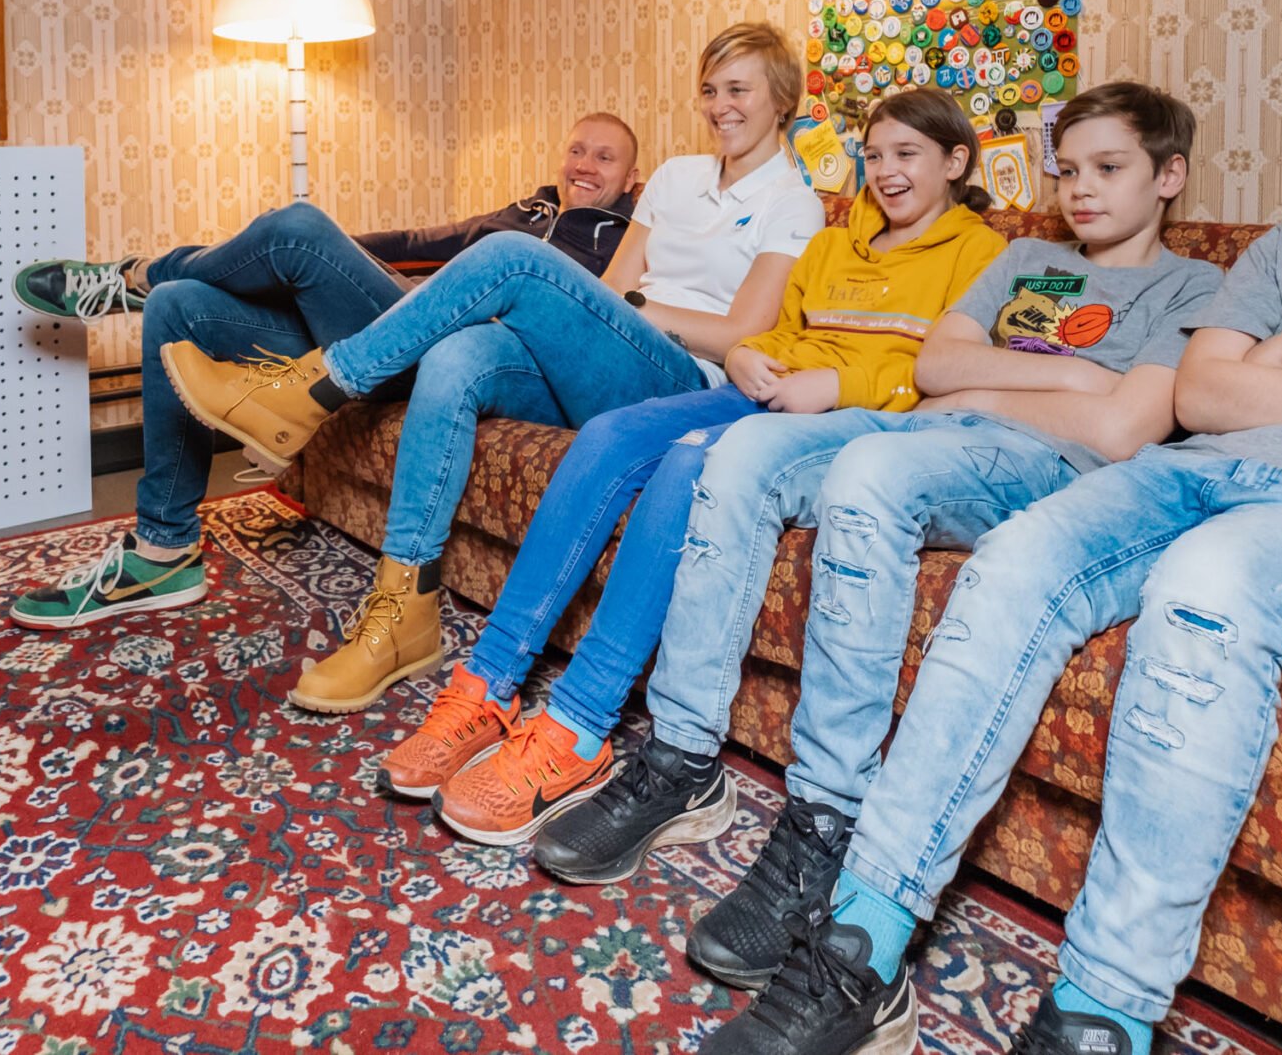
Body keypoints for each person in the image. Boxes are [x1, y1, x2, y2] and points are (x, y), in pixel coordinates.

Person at [696, 43, 1282, 1055]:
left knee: (1205, 586)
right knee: (1014, 560)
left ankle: (1102, 1011)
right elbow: (1203, 395)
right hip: (1184, 472)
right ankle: (864, 930)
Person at [528, 83, 1219, 991]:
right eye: (1071, 169)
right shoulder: (1026, 257)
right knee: (738, 452)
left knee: (867, 479)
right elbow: (937, 364)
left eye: (1110, 168)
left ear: (1168, 176)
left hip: (1044, 463)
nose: (1081, 188)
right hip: (937, 426)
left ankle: (825, 812)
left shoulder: (1194, 284)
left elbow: (1126, 427)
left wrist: (997, 389)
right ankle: (682, 753)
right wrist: (1079, 375)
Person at [384, 87, 1008, 847]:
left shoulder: (982, 254)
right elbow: (776, 330)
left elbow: (948, 369)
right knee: (608, 435)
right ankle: (487, 682)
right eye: (874, 155)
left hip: (850, 417)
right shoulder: (834, 241)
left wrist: (839, 384)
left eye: (907, 154)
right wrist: (746, 355)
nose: (886, 171)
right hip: (765, 389)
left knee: (688, 464)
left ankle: (579, 724)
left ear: (956, 161)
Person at [167, 23, 825, 714]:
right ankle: (404, 607)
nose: (720, 106)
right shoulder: (676, 178)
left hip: (685, 381)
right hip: (611, 353)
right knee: (457, 353)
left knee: (514, 255)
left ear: (781, 98)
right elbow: (612, 287)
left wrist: (637, 309)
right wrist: (621, 307)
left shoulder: (793, 203)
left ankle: (313, 388)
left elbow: (741, 332)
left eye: (738, 90)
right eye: (710, 90)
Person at [3, 114, 641, 630]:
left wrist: (306, 247)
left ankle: (135, 275)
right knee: (180, 306)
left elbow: (600, 329)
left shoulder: (627, 241)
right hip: (399, 315)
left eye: (605, 157)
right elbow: (415, 243)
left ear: (633, 178)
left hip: (458, 356)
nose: (585, 165)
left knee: (297, 227)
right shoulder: (525, 213)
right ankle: (163, 551)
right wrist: (328, 257)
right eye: (577, 150)